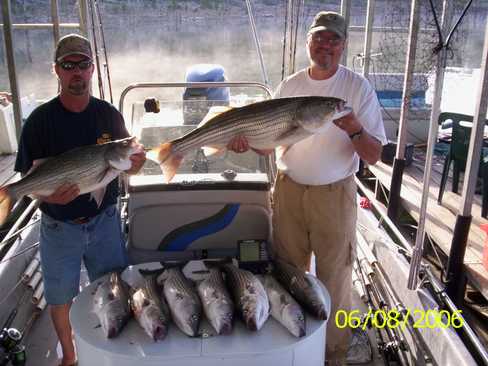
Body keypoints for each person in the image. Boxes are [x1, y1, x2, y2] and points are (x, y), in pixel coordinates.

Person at [228, 11, 387, 365]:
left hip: (334, 194)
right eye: (319, 38)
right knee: (287, 270)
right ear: (309, 43)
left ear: (344, 45)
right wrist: (248, 142)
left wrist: (354, 129)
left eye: (333, 39)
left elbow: (374, 155)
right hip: (288, 190)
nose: (325, 45)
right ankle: (292, 350)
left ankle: (334, 355)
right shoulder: (291, 86)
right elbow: (272, 144)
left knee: (336, 278)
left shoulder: (356, 88)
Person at [14, 34, 146, 366]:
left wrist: (135, 162)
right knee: (60, 298)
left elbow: (124, 163)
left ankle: (112, 351)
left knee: (114, 286)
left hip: (104, 222)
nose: (77, 73)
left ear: (92, 70)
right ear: (56, 70)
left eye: (84, 64)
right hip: (59, 227)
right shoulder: (39, 122)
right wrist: (43, 193)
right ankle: (70, 358)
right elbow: (28, 180)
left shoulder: (108, 115)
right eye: (69, 65)